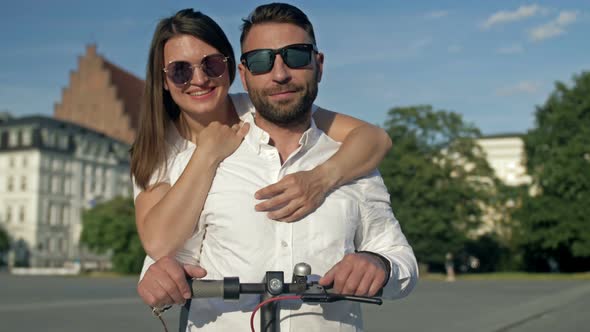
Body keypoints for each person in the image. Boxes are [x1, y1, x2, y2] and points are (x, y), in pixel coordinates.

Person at [137, 3, 418, 331]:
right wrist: (158, 275)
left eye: (296, 56)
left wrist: (378, 264)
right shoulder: (203, 159)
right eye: (261, 61)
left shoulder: (353, 159)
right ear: (244, 74)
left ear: (319, 64)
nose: (280, 73)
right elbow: (169, 255)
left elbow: (400, 260)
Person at [131, 8, 393, 262]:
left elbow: (373, 138)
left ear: (232, 68)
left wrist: (320, 179)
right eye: (180, 71)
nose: (199, 79)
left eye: (211, 65)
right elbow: (159, 244)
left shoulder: (263, 107)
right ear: (164, 80)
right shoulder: (157, 149)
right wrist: (207, 153)